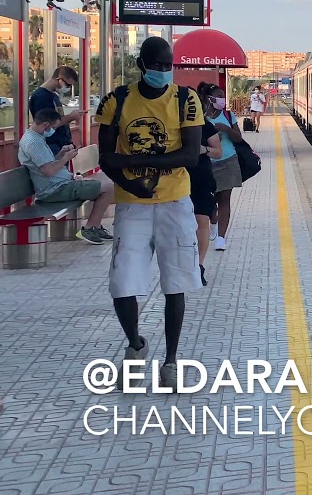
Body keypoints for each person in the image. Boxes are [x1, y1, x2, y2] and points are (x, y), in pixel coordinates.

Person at [96, 36, 204, 389]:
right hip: (132, 206)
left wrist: (131, 161)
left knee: (176, 284)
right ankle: (135, 343)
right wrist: (131, 180)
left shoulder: (186, 100)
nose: (162, 71)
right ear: (141, 65)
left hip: (175, 203)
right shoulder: (117, 100)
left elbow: (189, 156)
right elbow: (105, 158)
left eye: (167, 65)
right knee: (122, 283)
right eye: (155, 65)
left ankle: (171, 360)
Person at [17, 109, 115, 244]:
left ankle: (95, 226)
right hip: (55, 190)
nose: (53, 131)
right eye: (54, 128)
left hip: (59, 185)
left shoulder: (36, 138)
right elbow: (48, 171)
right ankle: (90, 227)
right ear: (46, 125)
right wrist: (66, 159)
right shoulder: (34, 143)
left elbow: (48, 164)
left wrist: (61, 154)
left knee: (106, 185)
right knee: (109, 188)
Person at [193, 83, 225, 285]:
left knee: (201, 221)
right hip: (174, 180)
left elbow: (217, 151)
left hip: (201, 179)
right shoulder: (171, 126)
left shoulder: (206, 126)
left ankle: (199, 265)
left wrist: (203, 149)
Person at [204, 84, 243, 252]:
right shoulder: (203, 117)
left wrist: (226, 129)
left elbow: (238, 138)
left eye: (223, 95)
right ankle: (213, 221)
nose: (222, 99)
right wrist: (212, 137)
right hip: (208, 164)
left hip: (229, 161)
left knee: (224, 198)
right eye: (218, 96)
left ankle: (221, 237)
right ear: (210, 99)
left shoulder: (228, 115)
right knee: (210, 202)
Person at [29, 66, 86, 156]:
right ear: (59, 79)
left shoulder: (53, 96)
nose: (68, 88)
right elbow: (47, 124)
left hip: (61, 145)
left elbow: (57, 118)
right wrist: (70, 117)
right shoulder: (41, 97)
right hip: (51, 146)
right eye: (67, 85)